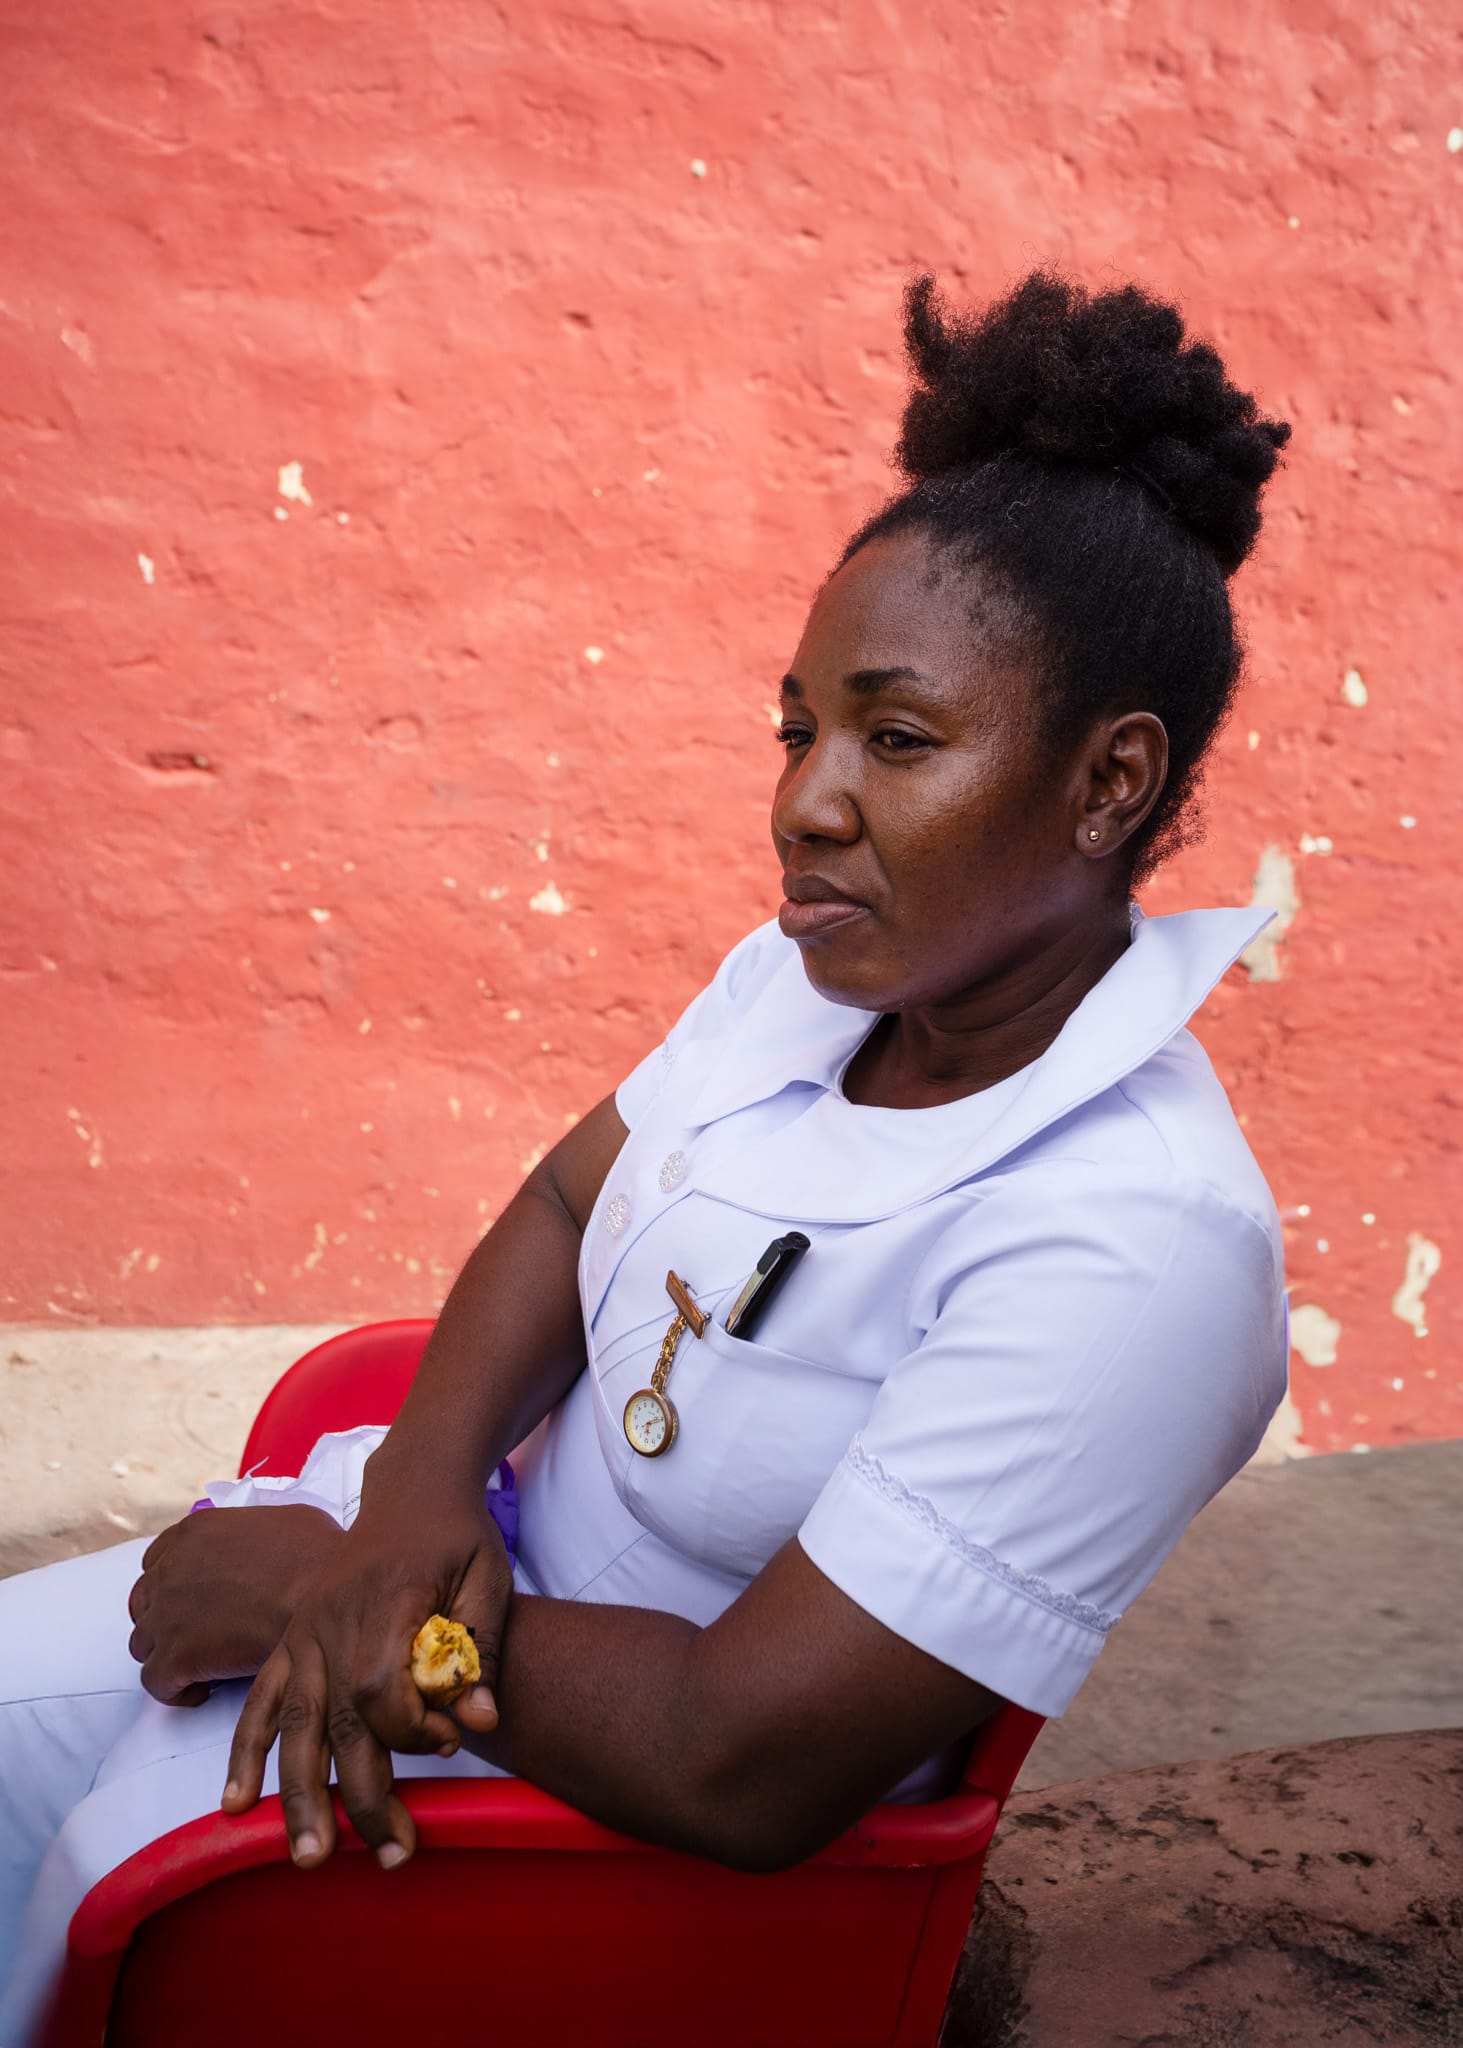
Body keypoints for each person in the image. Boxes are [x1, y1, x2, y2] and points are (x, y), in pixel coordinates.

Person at [0, 269, 1292, 2038]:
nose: (805, 800)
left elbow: (743, 1762)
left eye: (897, 739)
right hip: (449, 1588)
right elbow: (564, 1200)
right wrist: (409, 1514)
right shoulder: (809, 985)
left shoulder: (1137, 1243)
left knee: (101, 1896)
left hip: (604, 1819)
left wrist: (341, 1603)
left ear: (1109, 783)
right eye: (799, 728)